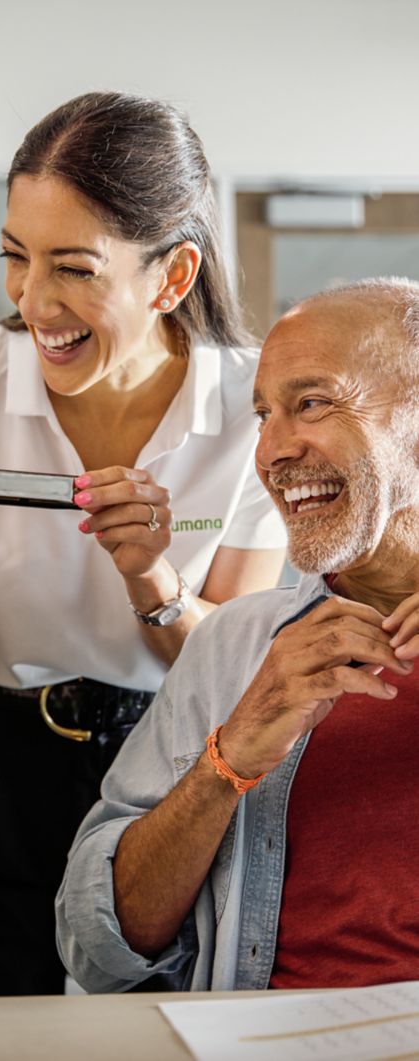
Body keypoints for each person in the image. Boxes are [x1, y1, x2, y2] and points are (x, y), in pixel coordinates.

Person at [0, 91, 287, 997]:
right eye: (15, 258)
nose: (32, 300)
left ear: (172, 277)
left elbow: (240, 666)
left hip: (173, 763)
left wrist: (152, 577)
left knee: (161, 1032)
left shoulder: (253, 408)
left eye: (73, 268)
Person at [59, 279, 419, 992]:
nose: (271, 451)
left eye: (310, 402)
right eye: (262, 413)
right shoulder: (233, 647)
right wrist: (226, 762)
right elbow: (94, 946)